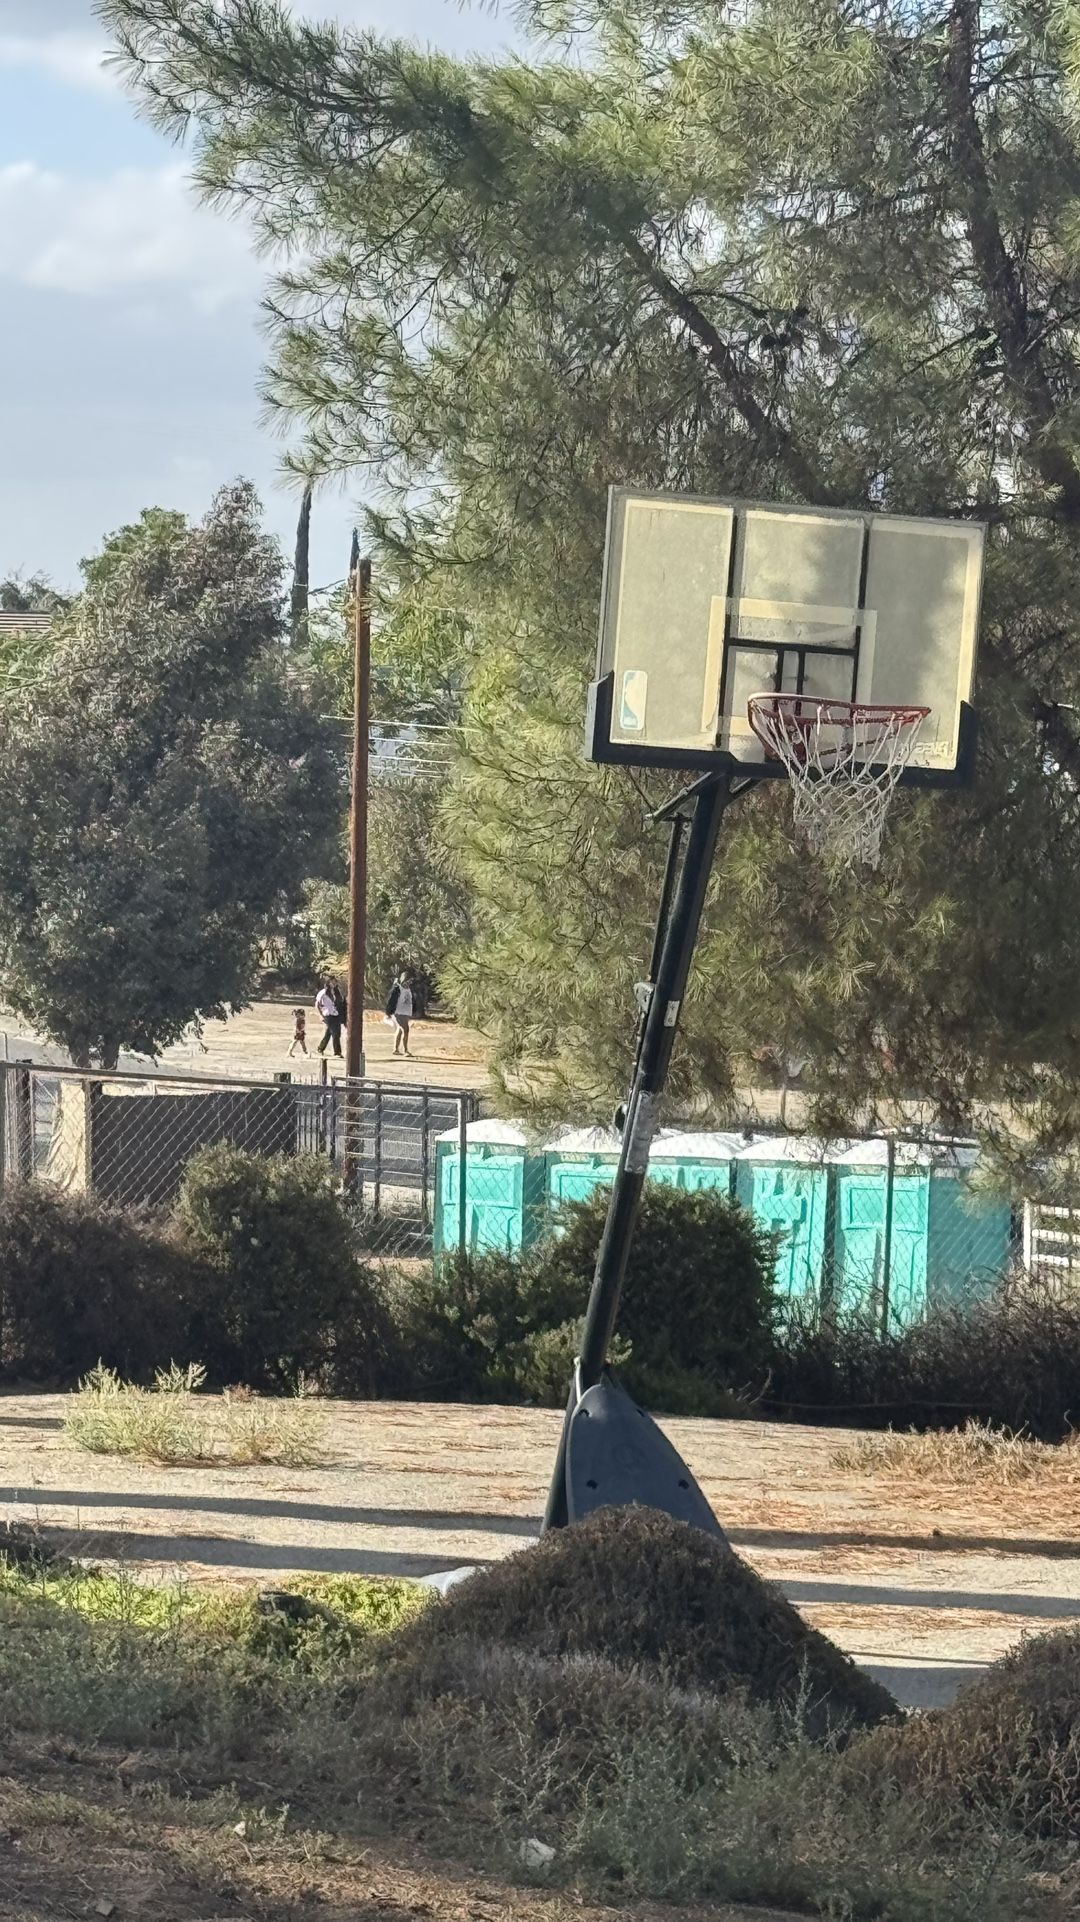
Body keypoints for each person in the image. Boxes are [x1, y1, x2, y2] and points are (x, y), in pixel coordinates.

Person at [385, 970, 414, 1058]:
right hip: (398, 1012)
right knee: (406, 1029)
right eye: (409, 980)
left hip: (406, 1012)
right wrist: (389, 1012)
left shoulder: (408, 989)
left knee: (400, 1029)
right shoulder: (398, 988)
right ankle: (405, 1050)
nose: (410, 982)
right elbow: (391, 1000)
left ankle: (396, 1049)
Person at [316, 979, 343, 1057]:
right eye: (332, 981)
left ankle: (320, 1048)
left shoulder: (336, 992)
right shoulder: (323, 992)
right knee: (335, 1033)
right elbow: (317, 1004)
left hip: (336, 1014)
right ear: (328, 982)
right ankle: (337, 1052)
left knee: (329, 1033)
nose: (334, 983)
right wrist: (321, 1015)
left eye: (335, 981)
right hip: (328, 1015)